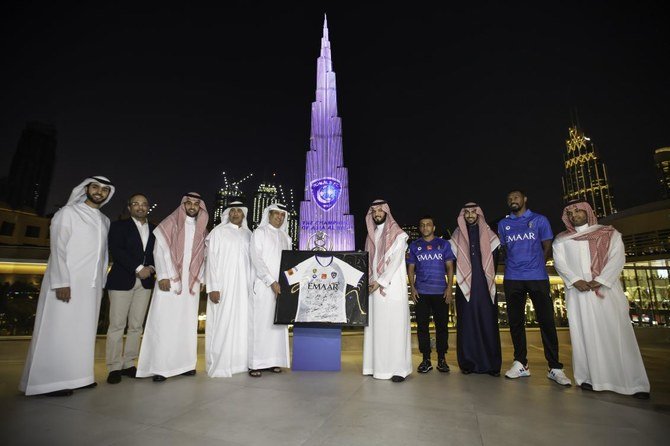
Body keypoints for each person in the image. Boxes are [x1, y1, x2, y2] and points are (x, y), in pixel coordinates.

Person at [19, 176, 115, 396]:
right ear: (86, 189)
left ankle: (79, 377)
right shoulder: (68, 213)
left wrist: (100, 283)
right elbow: (58, 249)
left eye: (104, 189)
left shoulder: (104, 220)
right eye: (95, 187)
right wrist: (62, 281)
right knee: (57, 330)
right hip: (66, 283)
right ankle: (46, 382)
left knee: (82, 332)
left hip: (90, 287)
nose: (99, 192)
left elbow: (103, 255)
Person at [552, 200, 650, 398]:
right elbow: (560, 264)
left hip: (606, 291)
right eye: (570, 213)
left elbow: (617, 258)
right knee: (584, 335)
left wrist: (600, 280)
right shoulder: (561, 240)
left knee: (617, 333)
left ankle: (633, 383)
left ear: (588, 212)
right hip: (578, 294)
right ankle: (590, 379)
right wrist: (575, 280)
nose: (574, 215)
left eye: (578, 211)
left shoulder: (609, 233)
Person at [497, 190, 571, 385]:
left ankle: (555, 367)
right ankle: (521, 363)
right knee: (515, 322)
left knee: (546, 320)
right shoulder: (503, 224)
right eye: (509, 198)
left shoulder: (539, 220)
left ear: (524, 199)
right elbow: (504, 248)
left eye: (516, 197)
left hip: (537, 276)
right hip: (513, 278)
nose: (513, 200)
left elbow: (547, 245)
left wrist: (539, 263)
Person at [136, 193, 208, 382]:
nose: (192, 206)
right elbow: (159, 251)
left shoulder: (202, 230)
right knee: (164, 322)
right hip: (169, 281)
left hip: (190, 285)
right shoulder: (169, 224)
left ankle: (184, 365)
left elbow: (203, 258)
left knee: (186, 324)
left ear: (200, 208)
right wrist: (164, 275)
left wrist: (200, 279)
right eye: (189, 203)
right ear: (183, 205)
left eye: (196, 204)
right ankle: (160, 367)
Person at [105, 193, 156, 384]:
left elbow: (157, 253)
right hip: (121, 280)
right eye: (136, 204)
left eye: (144, 204)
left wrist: (151, 268)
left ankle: (128, 364)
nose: (140, 207)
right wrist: (138, 268)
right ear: (129, 207)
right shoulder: (118, 226)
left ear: (148, 207)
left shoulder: (155, 229)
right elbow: (117, 250)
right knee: (117, 325)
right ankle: (114, 367)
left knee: (136, 326)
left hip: (145, 283)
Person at [448, 203, 502, 376]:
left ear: (479, 214)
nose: (470, 215)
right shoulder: (457, 234)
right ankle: (468, 364)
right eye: (467, 213)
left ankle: (492, 365)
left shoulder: (489, 234)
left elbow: (494, 258)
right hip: (466, 286)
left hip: (484, 284)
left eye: (473, 212)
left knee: (487, 321)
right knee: (467, 322)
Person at [363, 200, 412, 382]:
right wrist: (371, 281)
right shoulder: (372, 235)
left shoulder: (398, 235)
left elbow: (396, 261)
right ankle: (376, 367)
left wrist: (380, 282)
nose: (377, 213)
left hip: (393, 288)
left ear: (386, 212)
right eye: (374, 211)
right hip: (375, 288)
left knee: (395, 327)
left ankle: (399, 369)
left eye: (380, 210)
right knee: (378, 327)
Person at [205, 201, 252, 377]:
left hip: (244, 287)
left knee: (242, 322)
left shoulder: (249, 234)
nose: (236, 213)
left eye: (239, 210)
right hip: (223, 286)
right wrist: (213, 287)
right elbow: (211, 261)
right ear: (227, 214)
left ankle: (240, 363)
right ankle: (221, 364)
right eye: (232, 210)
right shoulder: (218, 232)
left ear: (243, 214)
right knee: (222, 322)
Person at [407, 215, 455, 373]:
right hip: (421, 293)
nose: (425, 227)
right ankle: (426, 359)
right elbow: (411, 268)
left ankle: (442, 358)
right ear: (420, 228)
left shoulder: (444, 244)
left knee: (442, 327)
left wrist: (449, 288)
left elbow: (449, 267)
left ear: (433, 228)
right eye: (422, 225)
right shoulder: (414, 246)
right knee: (422, 327)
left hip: (440, 292)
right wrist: (412, 288)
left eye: (428, 225)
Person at [248, 203, 291, 377]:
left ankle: (274, 361)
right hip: (264, 285)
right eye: (276, 214)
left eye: (282, 215)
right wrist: (271, 281)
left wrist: (287, 283)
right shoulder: (259, 233)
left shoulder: (286, 237)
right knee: (261, 324)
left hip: (280, 288)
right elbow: (256, 259)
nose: (279, 218)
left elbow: (289, 263)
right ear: (269, 215)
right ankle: (255, 364)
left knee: (277, 325)